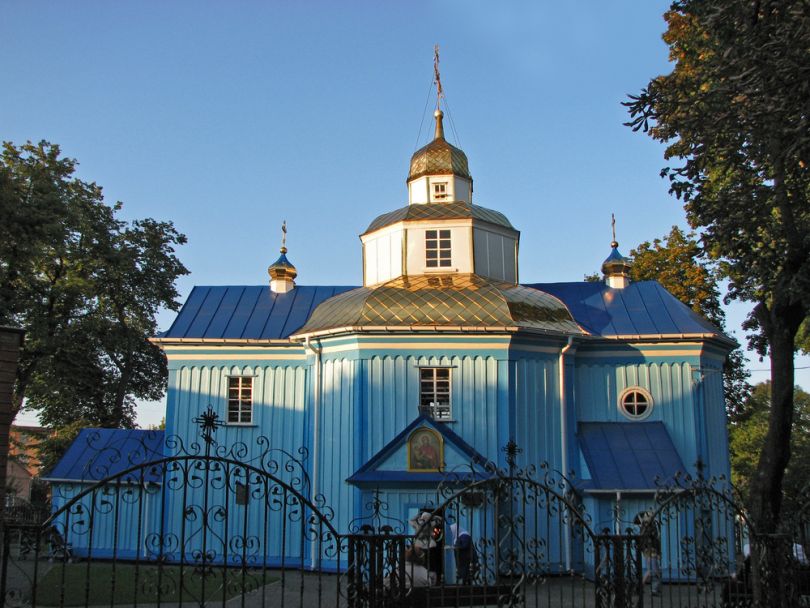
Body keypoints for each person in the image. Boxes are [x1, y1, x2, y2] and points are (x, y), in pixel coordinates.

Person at [634, 512, 661, 596]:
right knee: (653, 571)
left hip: (650, 550)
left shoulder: (650, 526)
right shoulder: (647, 527)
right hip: (650, 550)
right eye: (648, 515)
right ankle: (649, 589)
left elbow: (656, 540)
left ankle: (644, 588)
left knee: (652, 571)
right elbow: (654, 540)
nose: (649, 517)